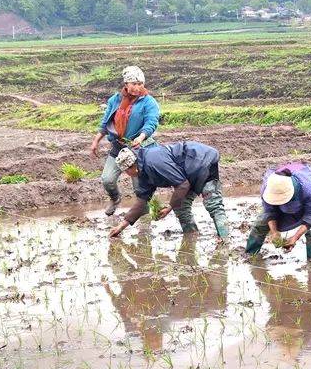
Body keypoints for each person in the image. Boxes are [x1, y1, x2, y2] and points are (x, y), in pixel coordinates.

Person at [107, 141, 229, 240]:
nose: (127, 174)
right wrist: (121, 226)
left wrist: (169, 207)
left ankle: (224, 239)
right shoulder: (142, 171)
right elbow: (142, 200)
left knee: (213, 203)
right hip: (187, 173)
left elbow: (182, 184)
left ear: (132, 165)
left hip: (202, 160)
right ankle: (191, 236)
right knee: (180, 207)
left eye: (126, 171)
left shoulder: (153, 162)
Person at [89, 66, 160, 216]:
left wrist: (140, 137)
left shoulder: (149, 102)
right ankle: (115, 199)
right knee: (107, 179)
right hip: (118, 146)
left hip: (138, 149)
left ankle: (145, 219)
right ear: (126, 84)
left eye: (140, 84)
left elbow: (151, 123)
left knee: (139, 188)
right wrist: (96, 140)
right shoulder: (115, 100)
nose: (136, 87)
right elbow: (105, 122)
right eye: (133, 84)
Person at [245, 163, 311, 260]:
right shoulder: (268, 187)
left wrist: (295, 238)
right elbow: (269, 211)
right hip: (287, 195)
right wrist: (274, 232)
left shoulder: (309, 187)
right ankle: (250, 256)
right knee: (260, 224)